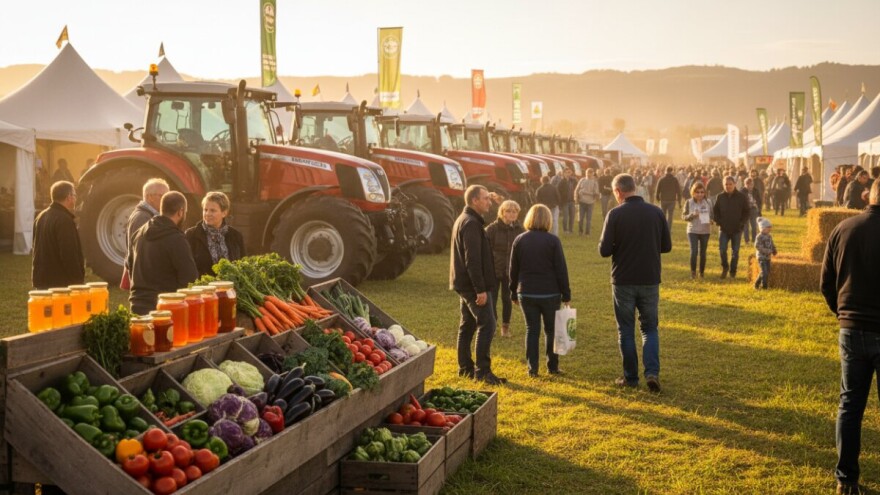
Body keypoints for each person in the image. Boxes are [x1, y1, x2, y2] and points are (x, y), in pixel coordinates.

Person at [820, 179, 880, 495]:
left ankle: (846, 479)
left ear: (869, 195)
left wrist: (842, 314)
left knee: (850, 405)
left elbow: (826, 283)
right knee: (850, 404)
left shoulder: (844, 229)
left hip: (851, 327)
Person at [599, 174, 671, 391]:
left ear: (618, 191)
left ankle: (630, 378)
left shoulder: (615, 214)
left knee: (626, 329)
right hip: (649, 277)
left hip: (623, 279)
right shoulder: (656, 212)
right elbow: (666, 246)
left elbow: (604, 250)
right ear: (635, 188)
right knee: (650, 328)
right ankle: (652, 372)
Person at [450, 185, 506, 385]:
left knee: (467, 325)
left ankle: (465, 369)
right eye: (485, 199)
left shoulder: (465, 219)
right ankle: (482, 371)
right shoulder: (471, 223)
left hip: (464, 283)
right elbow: (471, 259)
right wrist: (480, 290)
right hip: (473, 286)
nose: (489, 202)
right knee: (487, 324)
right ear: (474, 200)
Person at [509, 204, 571, 377]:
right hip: (550, 293)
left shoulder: (520, 240)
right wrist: (566, 294)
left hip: (526, 292)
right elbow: (561, 269)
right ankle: (552, 366)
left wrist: (513, 291)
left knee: (532, 330)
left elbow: (513, 269)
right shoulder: (553, 241)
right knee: (551, 330)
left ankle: (533, 368)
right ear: (548, 220)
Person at [128, 191, 199, 315]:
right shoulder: (177, 239)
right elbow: (190, 279)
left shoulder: (139, 233)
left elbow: (129, 265)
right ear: (180, 212)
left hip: (137, 306)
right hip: (165, 310)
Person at [32, 181, 85, 289]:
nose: (75, 199)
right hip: (59, 284)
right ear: (69, 197)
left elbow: (36, 249)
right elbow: (69, 253)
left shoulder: (40, 217)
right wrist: (77, 281)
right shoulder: (64, 220)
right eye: (74, 195)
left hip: (42, 281)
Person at [485, 200, 524, 338]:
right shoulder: (492, 229)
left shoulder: (520, 229)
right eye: (508, 211)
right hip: (494, 270)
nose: (512, 214)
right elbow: (484, 250)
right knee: (492, 299)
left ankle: (505, 328)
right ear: (502, 212)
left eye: (514, 211)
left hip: (511, 271)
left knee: (507, 299)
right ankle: (492, 326)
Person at [185, 191, 246, 277]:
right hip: (203, 288)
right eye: (205, 210)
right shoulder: (191, 235)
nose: (207, 214)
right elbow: (187, 268)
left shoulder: (236, 236)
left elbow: (243, 265)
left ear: (224, 213)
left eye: (212, 210)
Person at [124, 178, 170, 285]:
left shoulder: (149, 215)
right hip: (145, 281)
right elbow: (142, 254)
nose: (167, 201)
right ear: (150, 197)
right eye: (163, 196)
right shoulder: (142, 218)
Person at [713, 176, 750, 279]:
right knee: (722, 250)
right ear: (723, 185)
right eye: (726, 184)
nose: (728, 186)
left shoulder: (741, 197)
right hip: (723, 229)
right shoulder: (720, 197)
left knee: (735, 251)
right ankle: (725, 267)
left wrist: (741, 223)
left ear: (734, 184)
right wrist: (719, 221)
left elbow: (747, 211)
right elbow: (715, 211)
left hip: (737, 229)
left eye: (730, 184)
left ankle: (733, 271)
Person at [682, 181, 712, 279]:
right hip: (692, 230)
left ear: (705, 193)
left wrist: (711, 220)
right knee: (694, 251)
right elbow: (683, 216)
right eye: (697, 192)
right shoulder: (688, 202)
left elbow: (713, 216)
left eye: (702, 192)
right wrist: (692, 215)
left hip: (705, 230)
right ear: (693, 192)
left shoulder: (709, 202)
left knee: (703, 252)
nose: (699, 194)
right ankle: (693, 273)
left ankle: (701, 273)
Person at [574, 168, 600, 236]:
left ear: (592, 173)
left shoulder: (595, 182)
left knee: (588, 219)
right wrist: (576, 198)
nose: (588, 174)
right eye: (587, 173)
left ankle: (587, 233)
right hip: (582, 202)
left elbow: (596, 193)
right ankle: (580, 231)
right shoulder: (582, 180)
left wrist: (585, 192)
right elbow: (576, 189)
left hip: (590, 203)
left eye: (590, 173)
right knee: (580, 218)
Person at [655, 166, 682, 233]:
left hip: (663, 200)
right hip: (672, 200)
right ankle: (668, 230)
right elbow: (678, 191)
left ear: (665, 171)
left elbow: (657, 190)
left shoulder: (661, 179)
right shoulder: (675, 179)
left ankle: (663, 229)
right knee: (670, 216)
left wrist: (657, 198)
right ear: (672, 171)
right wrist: (679, 202)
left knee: (663, 215)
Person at [753, 217, 777, 290]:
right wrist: (767, 251)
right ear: (762, 228)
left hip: (768, 257)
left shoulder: (769, 236)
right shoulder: (759, 237)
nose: (770, 229)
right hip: (761, 257)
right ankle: (764, 287)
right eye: (768, 228)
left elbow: (771, 244)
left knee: (766, 272)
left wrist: (774, 249)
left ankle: (756, 284)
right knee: (764, 272)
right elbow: (757, 246)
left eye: (770, 228)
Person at [556, 168, 577, 234]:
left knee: (572, 216)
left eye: (570, 172)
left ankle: (571, 230)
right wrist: (560, 201)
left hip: (572, 201)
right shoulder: (561, 182)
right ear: (564, 173)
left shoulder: (573, 181)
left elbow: (577, 189)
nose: (569, 174)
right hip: (565, 202)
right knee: (565, 217)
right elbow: (558, 192)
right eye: (567, 172)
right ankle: (565, 230)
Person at [741, 178, 760, 244]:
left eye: (751, 184)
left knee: (754, 225)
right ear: (745, 184)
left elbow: (759, 200)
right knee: (746, 226)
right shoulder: (742, 191)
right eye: (748, 184)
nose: (750, 186)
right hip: (745, 211)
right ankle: (747, 240)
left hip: (753, 209)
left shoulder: (755, 190)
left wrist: (759, 210)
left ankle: (754, 240)